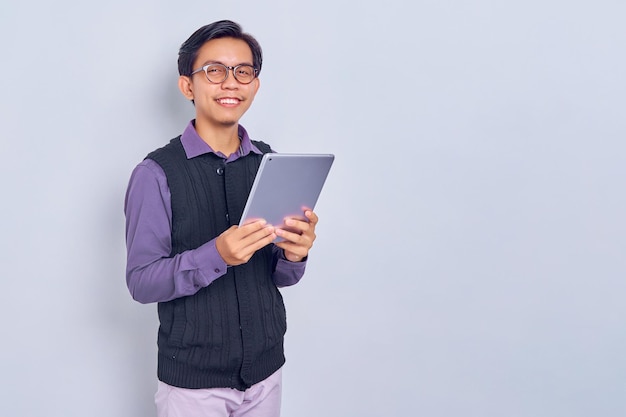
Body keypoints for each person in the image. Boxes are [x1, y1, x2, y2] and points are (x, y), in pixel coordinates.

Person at [124, 20, 318, 417]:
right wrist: (216, 254)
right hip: (193, 385)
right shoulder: (155, 173)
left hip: (266, 372)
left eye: (243, 71)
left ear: (255, 85)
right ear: (187, 86)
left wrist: (295, 255)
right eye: (214, 70)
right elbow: (141, 282)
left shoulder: (270, 163)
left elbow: (281, 277)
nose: (231, 82)